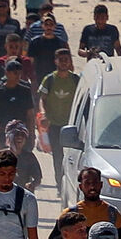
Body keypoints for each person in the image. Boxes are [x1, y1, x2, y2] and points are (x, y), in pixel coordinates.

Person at [45, 166, 121, 239]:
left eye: (95, 182)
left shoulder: (113, 215)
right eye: (87, 183)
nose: (92, 186)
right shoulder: (69, 215)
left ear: (101, 185)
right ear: (81, 187)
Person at [37, 48, 78, 189]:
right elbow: (42, 99)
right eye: (61, 59)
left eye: (66, 59)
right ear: (56, 61)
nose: (64, 62)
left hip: (72, 125)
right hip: (54, 124)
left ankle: (73, 184)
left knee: (73, 156)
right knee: (58, 156)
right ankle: (60, 184)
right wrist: (43, 113)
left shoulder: (75, 80)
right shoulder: (49, 79)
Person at [0, 59, 34, 150]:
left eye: (20, 73)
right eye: (15, 73)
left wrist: (31, 136)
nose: (18, 76)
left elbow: (30, 116)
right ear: (7, 73)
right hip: (2, 134)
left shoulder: (25, 91)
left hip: (21, 135)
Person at [5, 121, 42, 193]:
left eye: (22, 135)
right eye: (16, 135)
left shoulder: (29, 157)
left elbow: (38, 178)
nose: (19, 137)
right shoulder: (0, 156)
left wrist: (32, 185)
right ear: (9, 137)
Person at [27, 15, 65, 82]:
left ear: (55, 26)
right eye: (46, 24)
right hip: (39, 74)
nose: (49, 26)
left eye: (51, 24)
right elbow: (31, 61)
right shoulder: (35, 42)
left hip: (56, 75)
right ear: (42, 26)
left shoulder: (60, 43)